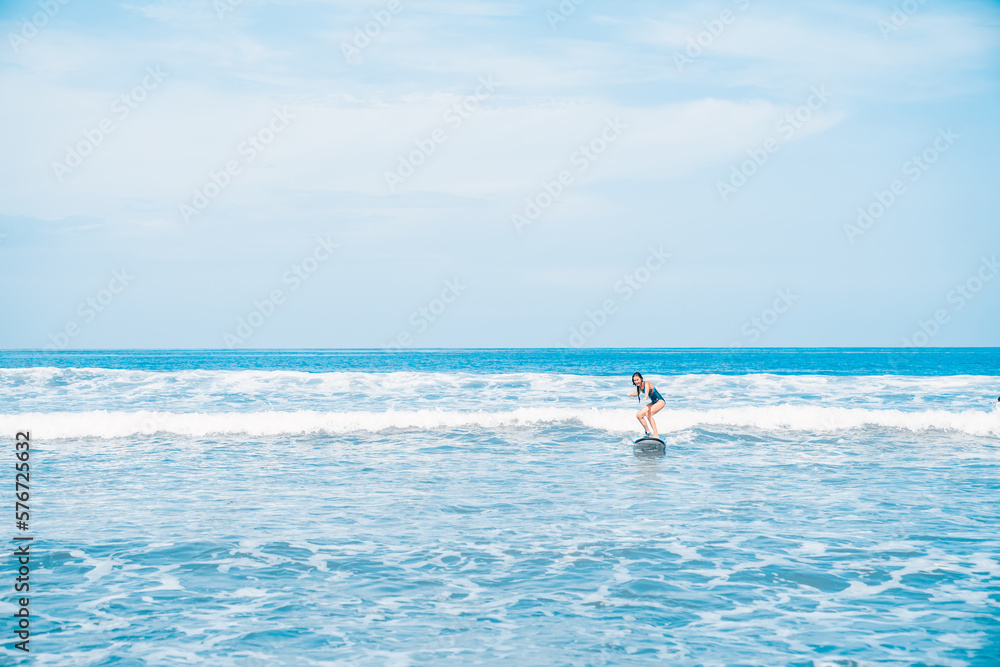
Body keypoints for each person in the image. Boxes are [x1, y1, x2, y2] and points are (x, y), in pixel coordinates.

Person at [628, 372, 665, 438]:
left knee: (648, 414)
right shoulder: (639, 387)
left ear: (641, 379)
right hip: (654, 402)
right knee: (639, 415)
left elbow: (647, 389)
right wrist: (631, 395)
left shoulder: (647, 383)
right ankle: (647, 433)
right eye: (635, 380)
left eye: (637, 380)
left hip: (660, 401)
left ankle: (656, 435)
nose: (636, 382)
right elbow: (637, 393)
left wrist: (645, 396)